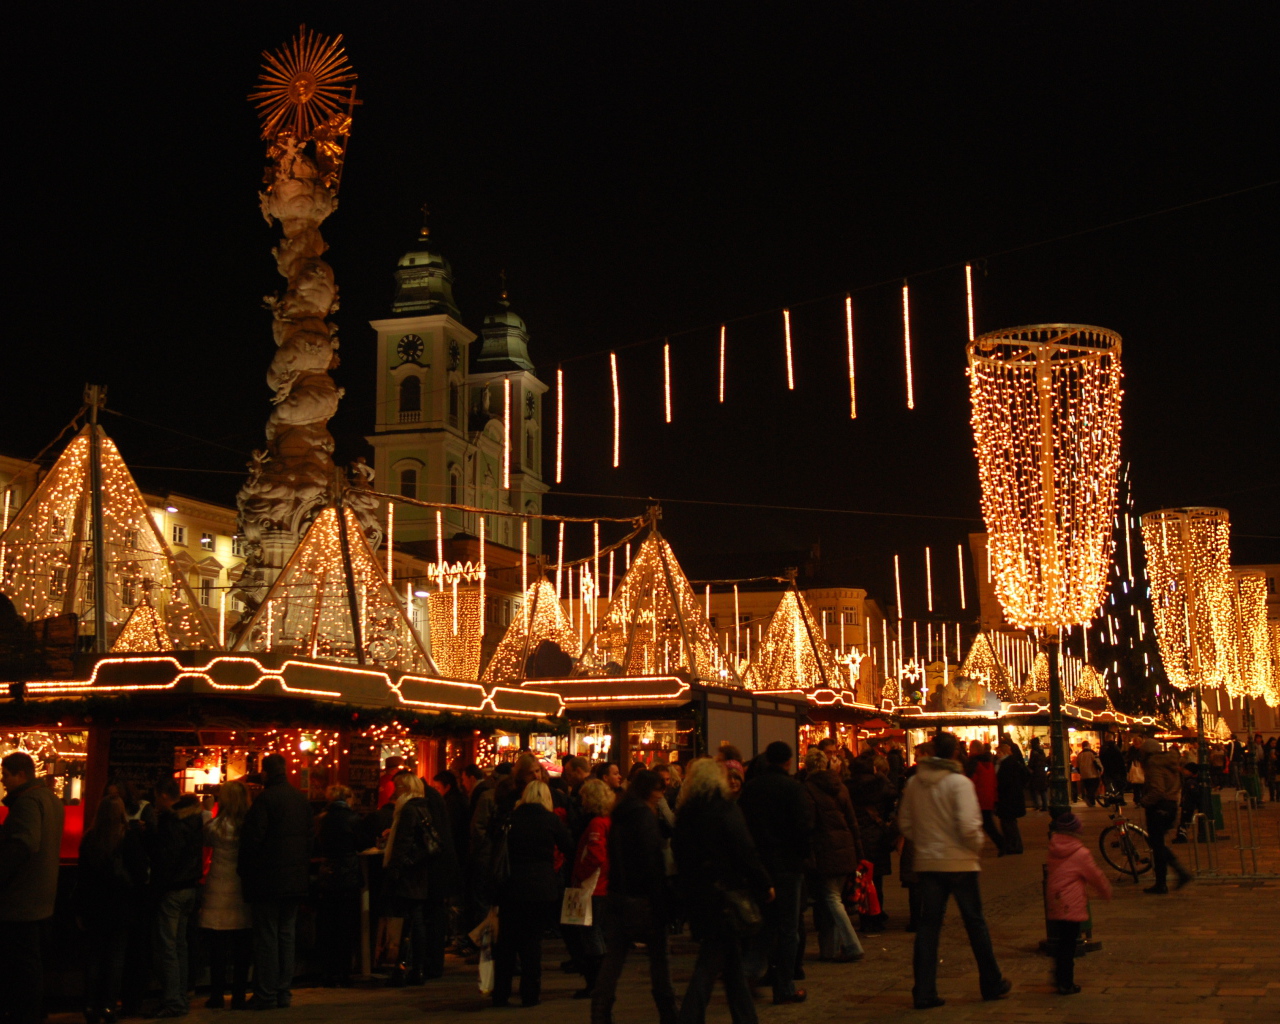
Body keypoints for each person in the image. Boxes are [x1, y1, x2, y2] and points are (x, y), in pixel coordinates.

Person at [898, 731, 1010, 1010]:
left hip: (928, 862)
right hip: (959, 861)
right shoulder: (959, 783)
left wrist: (925, 843)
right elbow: (969, 825)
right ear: (955, 754)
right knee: (974, 922)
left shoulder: (915, 783)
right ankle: (991, 980)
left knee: (928, 927)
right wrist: (975, 847)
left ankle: (923, 990)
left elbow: (906, 824)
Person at [672, 758, 773, 1024]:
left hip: (699, 893)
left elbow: (679, 853)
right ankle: (690, 1016)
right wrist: (763, 882)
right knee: (711, 961)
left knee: (730, 963)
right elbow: (744, 850)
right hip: (726, 893)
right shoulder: (724, 809)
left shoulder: (687, 812)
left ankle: (745, 1016)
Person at [737, 741, 812, 1005]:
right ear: (788, 761)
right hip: (788, 866)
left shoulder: (752, 789)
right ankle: (784, 985)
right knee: (788, 927)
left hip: (760, 865)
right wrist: (803, 856)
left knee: (765, 924)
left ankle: (749, 972)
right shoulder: (793, 789)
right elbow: (803, 827)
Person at [238, 754, 313, 1010]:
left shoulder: (265, 800)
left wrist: (245, 871)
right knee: (286, 936)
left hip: (268, 880)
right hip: (295, 880)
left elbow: (252, 841)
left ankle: (266, 993)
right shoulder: (300, 799)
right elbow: (309, 839)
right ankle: (283, 991)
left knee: (267, 938)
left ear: (266, 773)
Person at [491, 780, 574, 1007]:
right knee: (532, 943)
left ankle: (501, 992)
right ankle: (530, 993)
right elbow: (569, 846)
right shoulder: (550, 820)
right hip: (541, 887)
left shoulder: (512, 819)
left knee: (507, 943)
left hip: (511, 886)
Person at [0, 752, 66, 1024]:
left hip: (21, 902)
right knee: (33, 966)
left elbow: (23, 845)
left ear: (20, 775)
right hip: (43, 898)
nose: (3, 781)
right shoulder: (51, 799)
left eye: (5, 774)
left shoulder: (27, 802)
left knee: (20, 968)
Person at [76, 793, 148, 1024]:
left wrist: (80, 909)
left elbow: (83, 878)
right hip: (121, 907)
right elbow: (138, 875)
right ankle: (108, 1006)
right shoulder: (127, 837)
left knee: (94, 958)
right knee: (115, 959)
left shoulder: (89, 839)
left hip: (94, 907)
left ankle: (90, 1005)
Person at [384, 772, 459, 984]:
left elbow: (406, 842)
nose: (394, 792)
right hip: (431, 870)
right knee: (421, 919)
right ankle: (422, 966)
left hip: (420, 873)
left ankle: (415, 966)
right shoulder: (427, 802)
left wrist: (398, 866)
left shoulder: (411, 808)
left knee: (415, 920)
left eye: (397, 787)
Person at [802, 748, 864, 963]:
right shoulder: (840, 787)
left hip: (825, 849)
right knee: (835, 898)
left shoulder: (809, 789)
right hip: (845, 847)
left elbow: (809, 824)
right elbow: (852, 820)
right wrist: (858, 851)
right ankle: (830, 949)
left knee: (831, 898)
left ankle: (852, 944)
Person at [148, 781, 205, 1017]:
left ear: (163, 795)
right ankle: (181, 994)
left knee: (168, 946)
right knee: (180, 944)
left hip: (173, 889)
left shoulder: (172, 821)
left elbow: (168, 858)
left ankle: (173, 999)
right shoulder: (194, 818)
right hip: (190, 886)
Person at [199, 781, 252, 1009]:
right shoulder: (248, 825)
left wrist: (205, 810)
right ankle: (239, 994)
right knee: (242, 946)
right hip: (241, 887)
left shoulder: (217, 825)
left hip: (218, 887)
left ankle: (217, 994)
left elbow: (204, 836)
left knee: (218, 946)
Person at [1044, 812, 1111, 994]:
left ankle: (1059, 977)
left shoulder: (1053, 849)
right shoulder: (1080, 853)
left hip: (1056, 901)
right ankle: (1066, 982)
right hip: (1071, 904)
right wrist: (1105, 891)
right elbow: (1095, 875)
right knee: (1069, 945)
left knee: (1061, 943)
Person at [567, 778, 615, 999]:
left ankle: (596, 982)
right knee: (595, 932)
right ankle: (600, 981)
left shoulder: (596, 823)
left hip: (592, 885)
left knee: (590, 933)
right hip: (600, 885)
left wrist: (580, 874)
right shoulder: (606, 820)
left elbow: (595, 855)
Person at [314, 784, 364, 986]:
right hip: (348, 874)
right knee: (345, 925)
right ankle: (343, 972)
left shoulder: (321, 820)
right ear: (348, 798)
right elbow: (362, 843)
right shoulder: (353, 819)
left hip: (326, 874)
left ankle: (327, 971)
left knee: (327, 925)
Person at [1138, 739, 1192, 894]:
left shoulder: (1154, 765)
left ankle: (1172, 877)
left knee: (1157, 845)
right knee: (1157, 843)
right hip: (1171, 805)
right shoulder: (1169, 763)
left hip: (1159, 806)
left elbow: (1158, 790)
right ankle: (1167, 879)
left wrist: (1144, 801)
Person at [966, 745, 1004, 854]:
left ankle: (1001, 843)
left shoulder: (974, 763)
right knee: (988, 823)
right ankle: (1001, 843)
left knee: (986, 824)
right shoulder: (990, 764)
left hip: (978, 797)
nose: (969, 750)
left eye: (971, 748)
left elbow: (971, 779)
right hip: (988, 797)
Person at [994, 741, 1028, 855]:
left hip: (1008, 798)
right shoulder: (1012, 762)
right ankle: (1013, 845)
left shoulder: (1006, 764)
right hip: (1011, 797)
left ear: (1003, 752)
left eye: (998, 752)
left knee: (1009, 823)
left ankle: (1014, 846)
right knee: (1008, 823)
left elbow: (1004, 782)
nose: (996, 754)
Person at [1099, 735, 1126, 805]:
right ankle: (1119, 799)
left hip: (1107, 769)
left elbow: (1101, 758)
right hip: (1116, 769)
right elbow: (1120, 759)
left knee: (1108, 786)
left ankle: (1108, 800)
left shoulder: (1103, 748)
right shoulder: (1115, 748)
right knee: (1118, 785)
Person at [1075, 741, 1100, 807]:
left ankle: (1092, 802)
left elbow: (1077, 766)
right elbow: (1096, 763)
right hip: (1093, 774)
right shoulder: (1092, 753)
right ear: (1088, 745)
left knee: (1088, 788)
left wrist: (1081, 773)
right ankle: (1089, 798)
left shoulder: (1079, 755)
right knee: (1093, 788)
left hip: (1084, 775)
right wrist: (1100, 770)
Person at [1027, 738, 1049, 812]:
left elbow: (1031, 763)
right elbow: (1044, 761)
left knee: (1034, 789)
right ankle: (1045, 805)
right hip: (1042, 772)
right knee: (1043, 790)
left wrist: (1029, 768)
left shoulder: (1033, 751)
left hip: (1036, 773)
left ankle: (1037, 805)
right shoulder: (1041, 751)